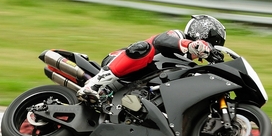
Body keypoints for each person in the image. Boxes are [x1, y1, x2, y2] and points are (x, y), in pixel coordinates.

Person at [77, 15, 226, 105]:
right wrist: (190, 45)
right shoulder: (177, 36)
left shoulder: (187, 63)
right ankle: (94, 84)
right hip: (120, 63)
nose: (209, 49)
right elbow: (160, 40)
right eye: (211, 44)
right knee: (144, 47)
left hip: (139, 85)